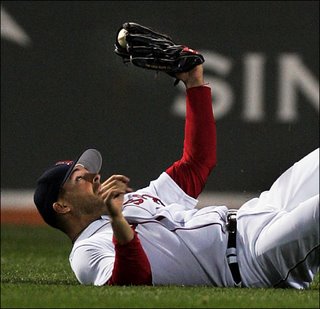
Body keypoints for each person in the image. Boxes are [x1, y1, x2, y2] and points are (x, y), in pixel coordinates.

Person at [34, 63, 319, 289]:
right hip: (253, 261)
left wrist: (194, 83)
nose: (95, 177)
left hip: (259, 212)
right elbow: (132, 280)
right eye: (79, 178)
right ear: (62, 206)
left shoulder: (136, 199)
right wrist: (118, 221)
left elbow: (198, 163)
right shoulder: (87, 252)